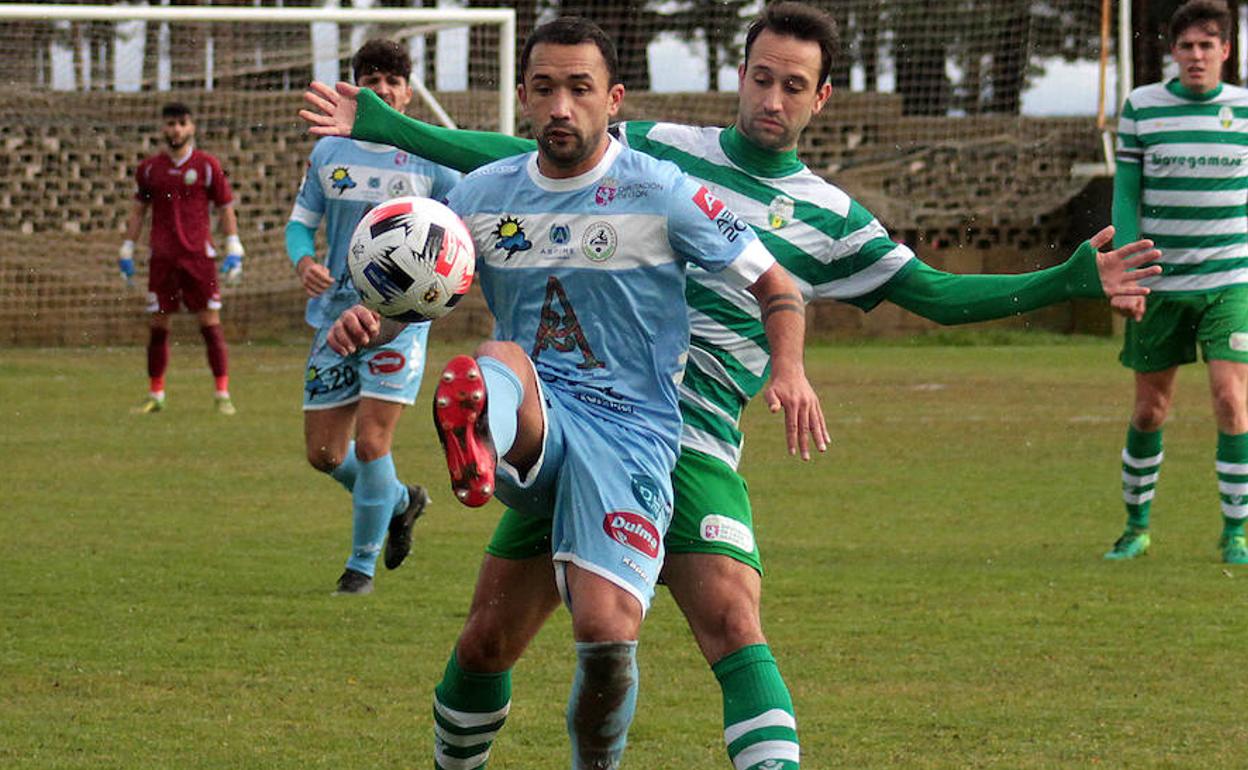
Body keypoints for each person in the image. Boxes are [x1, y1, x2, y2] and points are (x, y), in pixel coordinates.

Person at [303, 4, 1161, 767]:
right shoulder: (664, 151)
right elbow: (522, 156)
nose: (772, 100)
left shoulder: (831, 218)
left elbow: (932, 292)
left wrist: (1064, 281)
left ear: (822, 98)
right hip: (574, 411)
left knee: (728, 624)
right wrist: (387, 123)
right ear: (739, 76)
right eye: (760, 78)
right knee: (489, 641)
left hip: (693, 436)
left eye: (794, 86)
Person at [319, 16, 826, 770]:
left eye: (580, 89)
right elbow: (424, 295)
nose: (562, 106)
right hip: (537, 415)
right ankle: (483, 426)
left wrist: (789, 368)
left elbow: (775, 285)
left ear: (612, 99)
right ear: (523, 96)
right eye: (546, 89)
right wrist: (377, 320)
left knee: (597, 629)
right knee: (499, 355)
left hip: (632, 437)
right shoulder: (480, 197)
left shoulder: (662, 191)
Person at [287, 40, 459, 596]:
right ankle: (401, 499)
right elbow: (299, 224)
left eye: (394, 79)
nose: (383, 88)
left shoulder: (434, 159)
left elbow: (459, 236)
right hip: (333, 317)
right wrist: (305, 260)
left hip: (398, 320)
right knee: (323, 454)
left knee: (370, 442)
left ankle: (359, 571)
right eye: (372, 78)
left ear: (408, 92)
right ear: (357, 87)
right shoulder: (328, 153)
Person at [1106, 0, 1248, 565]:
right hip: (1161, 285)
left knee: (1231, 400)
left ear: (1225, 51)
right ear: (1173, 52)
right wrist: (1130, 274)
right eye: (1186, 45)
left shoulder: (1244, 110)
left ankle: (1235, 532)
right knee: (1150, 411)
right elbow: (1126, 194)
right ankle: (1135, 527)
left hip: (1231, 282)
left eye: (1207, 45)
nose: (1196, 56)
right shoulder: (1143, 108)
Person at [120, 102, 245, 416]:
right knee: (158, 325)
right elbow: (138, 211)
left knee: (210, 323)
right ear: (163, 128)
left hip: (198, 258)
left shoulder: (206, 166)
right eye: (171, 123)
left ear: (192, 127)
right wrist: (126, 247)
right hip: (162, 259)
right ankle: (156, 395)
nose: (176, 129)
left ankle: (222, 394)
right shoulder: (149, 169)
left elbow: (224, 207)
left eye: (182, 123)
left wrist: (233, 245)